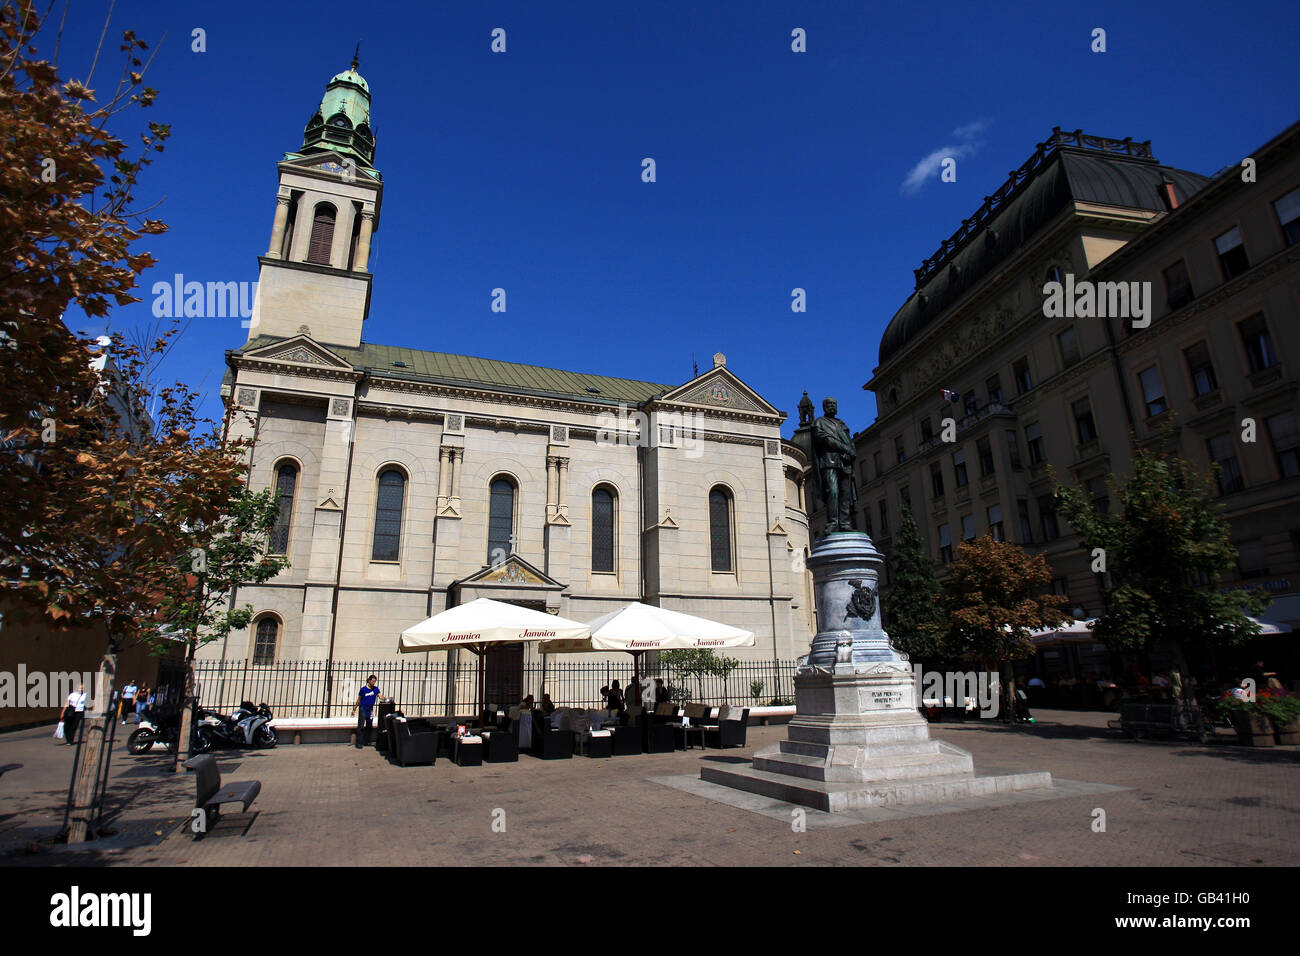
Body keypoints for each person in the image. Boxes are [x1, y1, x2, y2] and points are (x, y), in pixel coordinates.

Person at [351, 674, 383, 749]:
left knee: (369, 725)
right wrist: (354, 709)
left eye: (375, 681)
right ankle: (359, 742)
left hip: (370, 709)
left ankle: (366, 741)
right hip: (363, 708)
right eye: (372, 681)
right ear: (369, 680)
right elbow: (359, 699)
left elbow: (380, 696)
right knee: (361, 725)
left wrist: (386, 698)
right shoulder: (363, 690)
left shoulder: (375, 689)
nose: (374, 683)